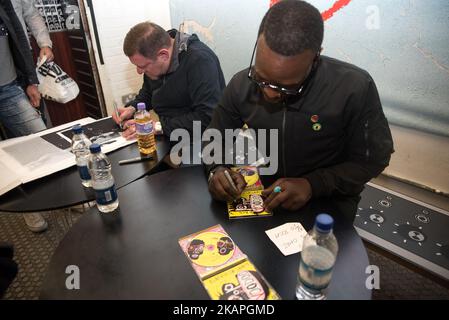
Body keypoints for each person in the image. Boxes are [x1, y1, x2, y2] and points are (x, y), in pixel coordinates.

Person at [204, 0, 394, 220]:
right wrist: (217, 170)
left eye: (287, 87)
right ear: (257, 45)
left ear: (315, 58)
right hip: (269, 198)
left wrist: (313, 185)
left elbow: (373, 160)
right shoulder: (240, 85)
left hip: (329, 203)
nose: (270, 93)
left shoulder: (354, 88)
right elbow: (215, 138)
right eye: (261, 79)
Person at [113, 21, 226, 163]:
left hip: (203, 141)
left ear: (163, 55)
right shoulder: (156, 54)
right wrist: (132, 107)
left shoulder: (200, 61)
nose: (139, 71)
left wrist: (158, 127)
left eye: (142, 66)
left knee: (156, 179)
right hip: (169, 136)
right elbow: (149, 92)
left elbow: (207, 117)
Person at [0, 0, 47, 232]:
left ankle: (70, 197)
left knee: (40, 138)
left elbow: (19, 31)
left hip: (9, 87)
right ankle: (29, 209)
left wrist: (30, 80)